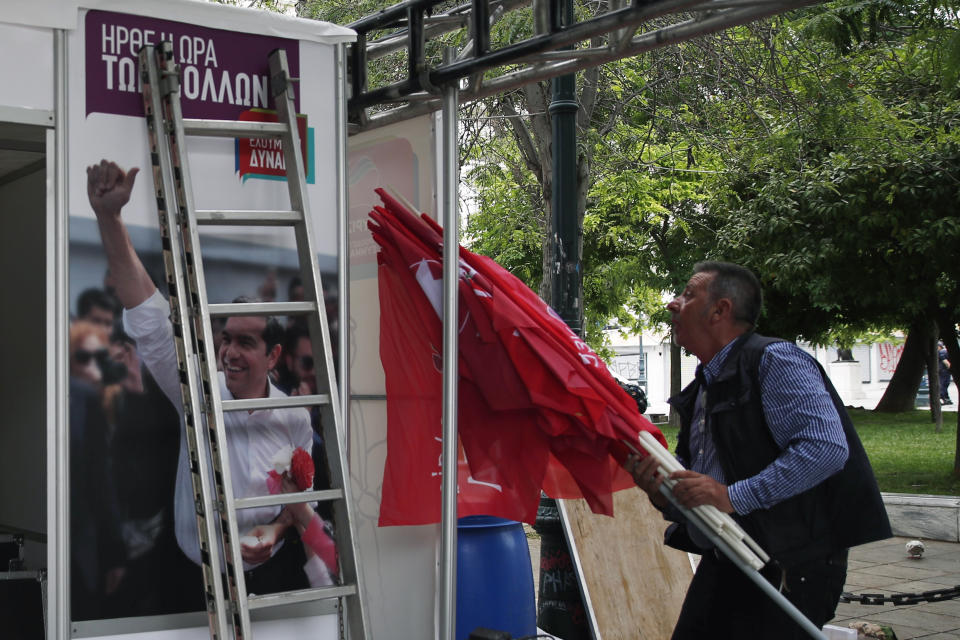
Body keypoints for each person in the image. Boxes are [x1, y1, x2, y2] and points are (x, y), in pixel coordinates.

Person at [86, 159, 314, 598]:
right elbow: (150, 318)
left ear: (274, 356)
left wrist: (276, 530)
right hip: (191, 580)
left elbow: (301, 500)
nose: (229, 352)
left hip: (268, 584)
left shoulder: (295, 416)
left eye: (246, 343)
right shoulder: (197, 388)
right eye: (226, 339)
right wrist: (109, 218)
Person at [628, 261, 890, 639]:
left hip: (791, 563)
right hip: (729, 555)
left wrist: (732, 496)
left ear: (720, 310)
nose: (672, 303)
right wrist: (663, 491)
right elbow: (708, 479)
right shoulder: (707, 381)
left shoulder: (774, 360)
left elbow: (825, 447)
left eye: (688, 294)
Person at [939, 341, 952, 405]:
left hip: (943, 371)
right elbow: (946, 362)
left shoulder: (941, 352)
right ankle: (945, 399)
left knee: (943, 385)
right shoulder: (944, 352)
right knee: (944, 385)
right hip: (945, 371)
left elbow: (946, 362)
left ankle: (944, 399)